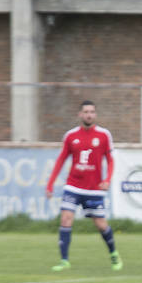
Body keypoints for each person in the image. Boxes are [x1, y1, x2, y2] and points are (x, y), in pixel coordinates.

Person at [45, 100, 122, 272]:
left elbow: (110, 160)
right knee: (65, 219)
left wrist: (107, 179)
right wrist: (50, 184)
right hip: (73, 186)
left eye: (92, 112)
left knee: (101, 224)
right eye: (86, 111)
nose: (89, 114)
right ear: (80, 114)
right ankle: (64, 261)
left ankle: (114, 254)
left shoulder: (103, 135)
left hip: (94, 188)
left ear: (95, 114)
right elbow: (60, 160)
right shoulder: (71, 136)